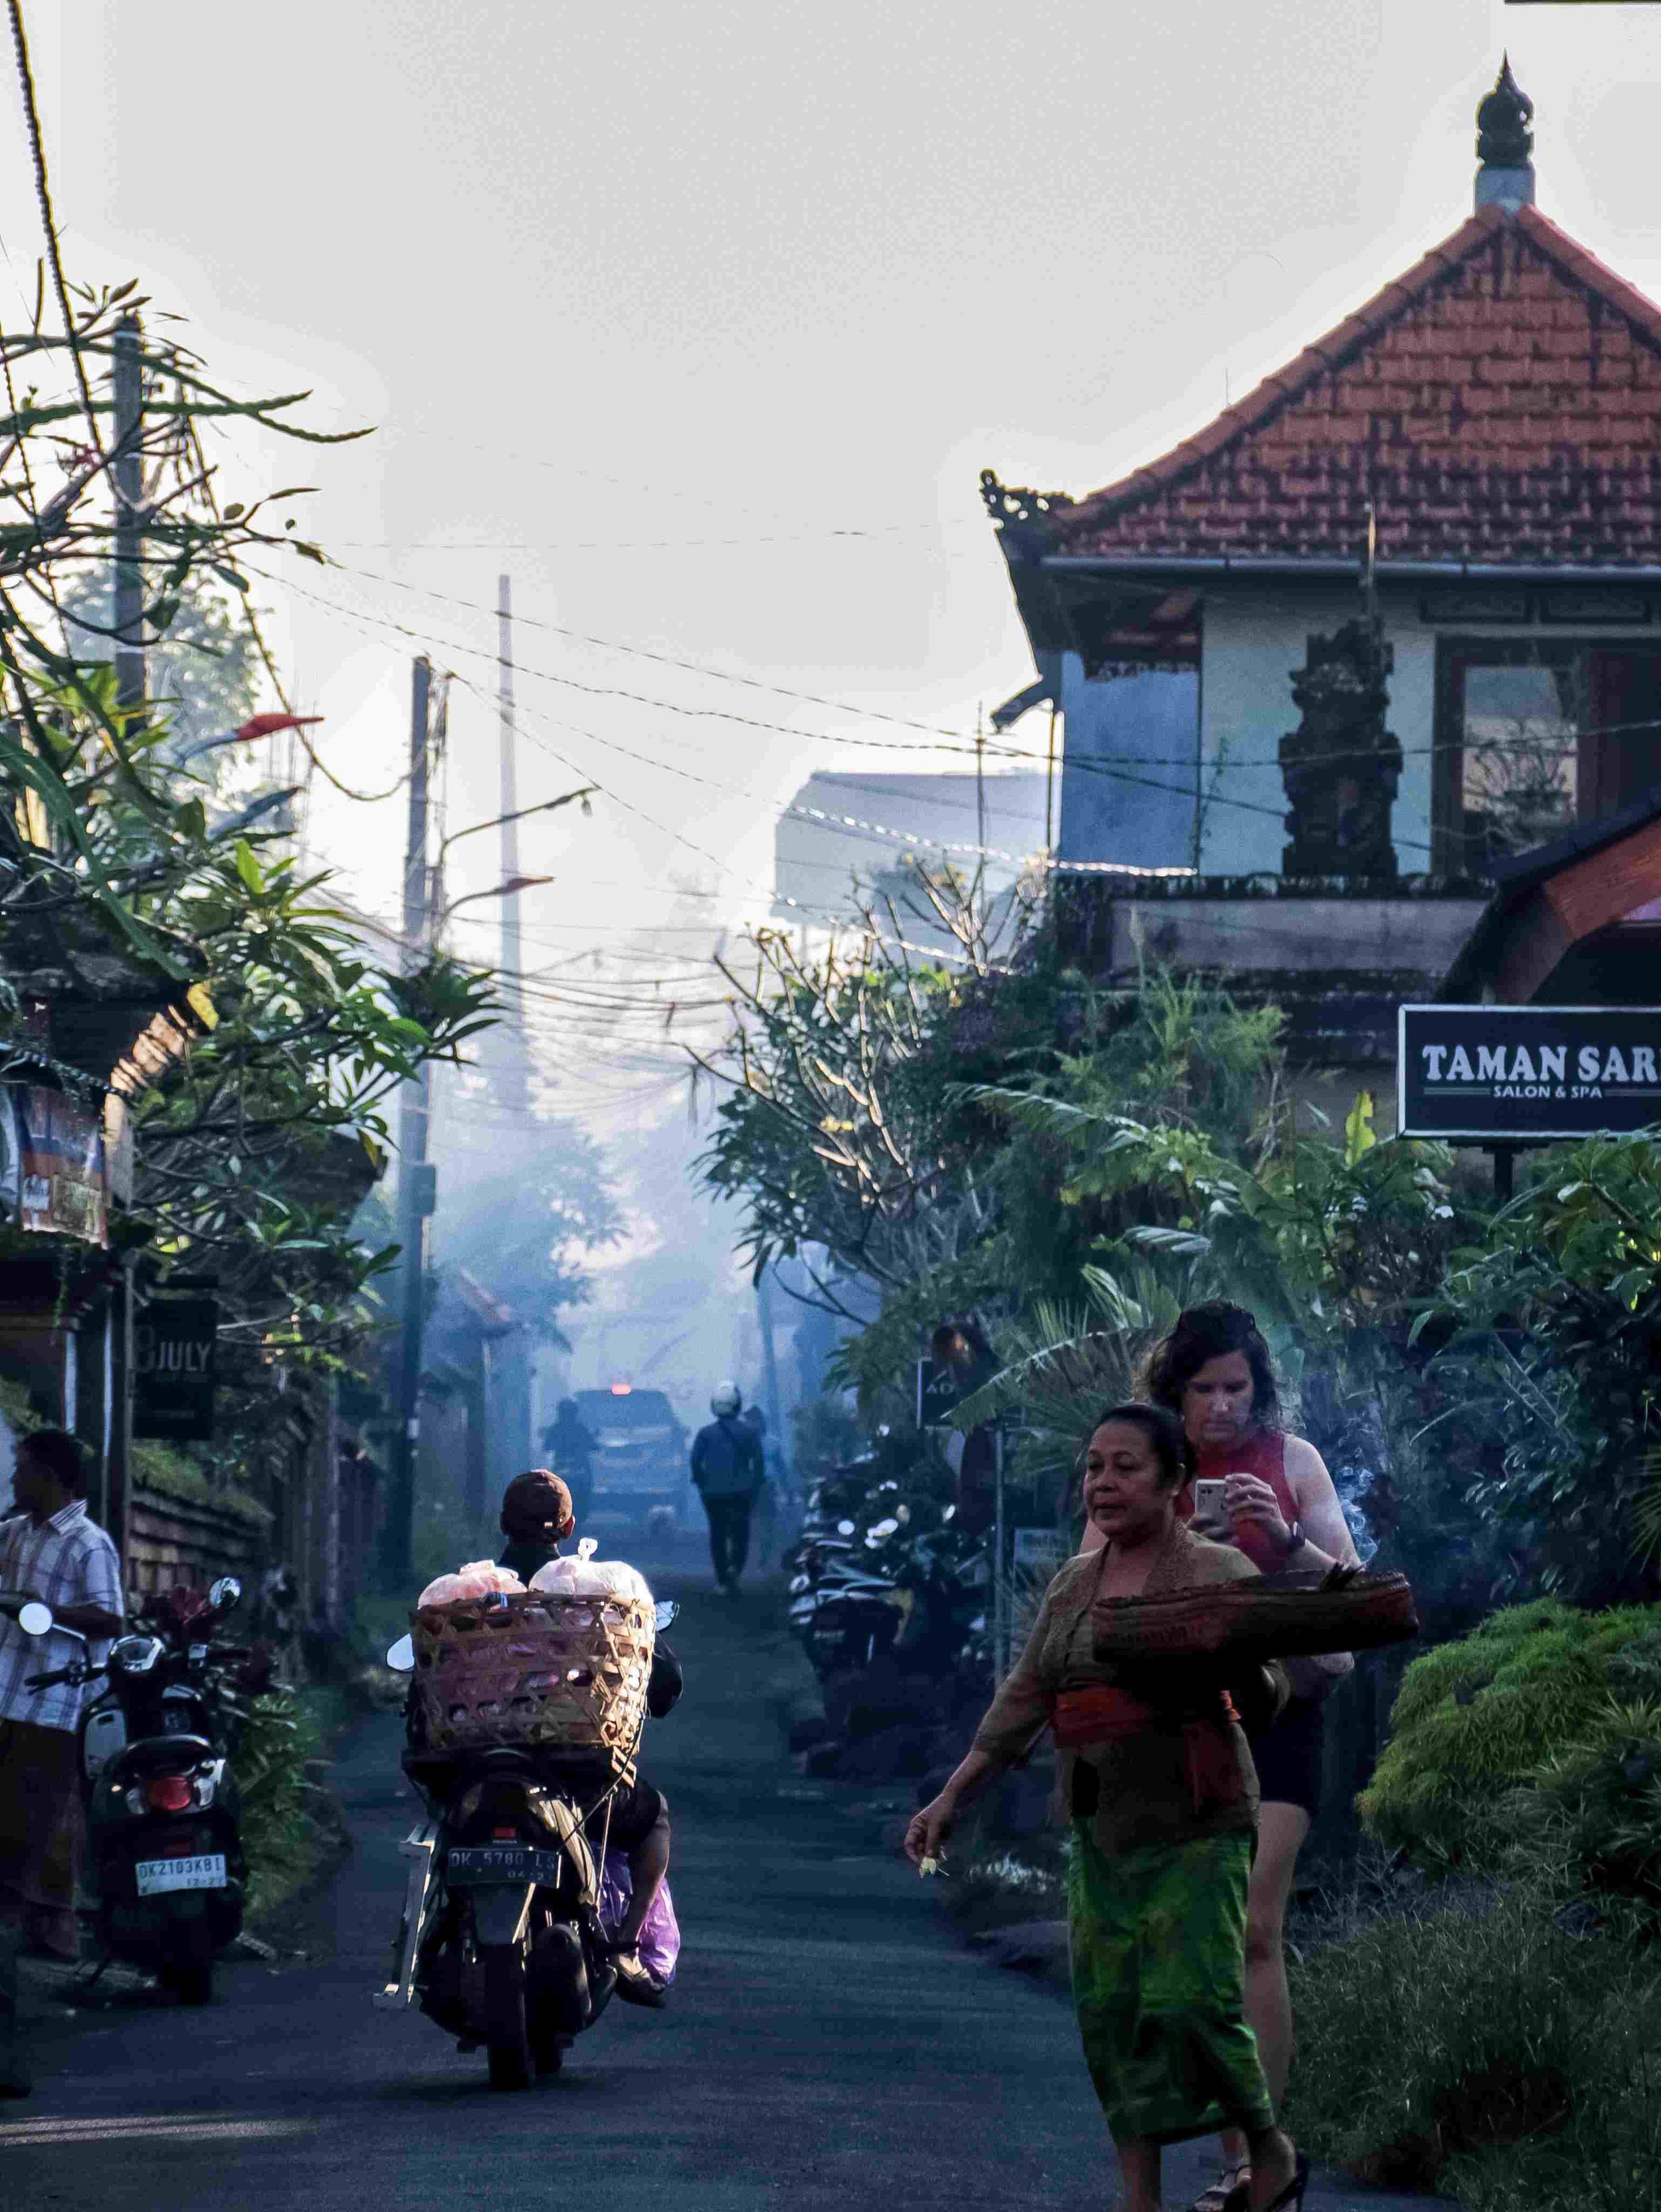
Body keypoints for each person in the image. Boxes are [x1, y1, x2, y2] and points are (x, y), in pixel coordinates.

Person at [906, 1404, 1305, 2212]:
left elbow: (1270, 1694)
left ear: (1175, 1485)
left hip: (1202, 1818)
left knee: (1191, 2001)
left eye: (1126, 1466)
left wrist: (1234, 1660)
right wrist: (952, 1794)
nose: (1103, 1481)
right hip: (1100, 1826)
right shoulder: (1073, 1586)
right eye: (1093, 1466)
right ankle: (1139, 2198)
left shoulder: (1216, 1572)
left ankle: (1267, 2144)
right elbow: (1024, 1697)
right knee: (1113, 2016)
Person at [1135, 1302, 1361, 2212]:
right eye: (1204, 1389)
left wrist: (1285, 1540)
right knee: (1198, 1942)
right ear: (1175, 1393)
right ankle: (1240, 2161)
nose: (1222, 1407)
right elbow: (1090, 1595)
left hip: (1282, 1710)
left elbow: (1355, 1593)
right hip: (1182, 1719)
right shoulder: (1145, 1463)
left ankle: (1266, 2157)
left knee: (1255, 1930)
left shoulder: (1294, 1461)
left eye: (1237, 1388)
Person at [495, 1469, 681, 2006]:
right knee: (654, 1817)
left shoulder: (470, 1593)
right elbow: (664, 1679)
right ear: (570, 1525)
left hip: (474, 1768)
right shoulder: (596, 1595)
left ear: (503, 1524)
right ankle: (624, 1946)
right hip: (578, 1775)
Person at [0, 1431, 124, 1963]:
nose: (12, 1478)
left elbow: (110, 1616)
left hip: (57, 1703)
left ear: (49, 1477)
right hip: (9, 1695)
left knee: (45, 1817)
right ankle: (18, 1927)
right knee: (10, 1814)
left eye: (21, 1469)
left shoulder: (88, 1542)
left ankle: (54, 1929)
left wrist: (43, 1611)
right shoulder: (18, 1533)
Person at [689, 1383, 764, 1595]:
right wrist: (755, 1487)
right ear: (737, 1405)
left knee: (718, 1533)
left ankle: (722, 1579)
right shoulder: (749, 1432)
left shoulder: (705, 1434)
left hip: (713, 1493)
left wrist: (702, 1482)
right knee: (741, 1532)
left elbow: (696, 1462)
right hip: (742, 1492)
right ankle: (735, 1573)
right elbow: (758, 1464)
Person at [739, 1404, 786, 1567]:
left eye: (753, 1421)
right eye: (748, 1421)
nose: (749, 1424)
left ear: (760, 1422)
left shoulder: (773, 1443)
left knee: (768, 1523)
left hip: (766, 1487)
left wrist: (787, 1490)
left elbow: (781, 1469)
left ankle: (764, 1558)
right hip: (746, 1488)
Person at [540, 1397, 598, 1524]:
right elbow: (593, 1445)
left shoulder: (558, 1429)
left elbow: (547, 1446)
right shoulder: (579, 1429)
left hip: (573, 1468)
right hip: (568, 1468)